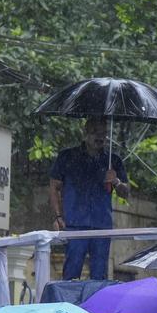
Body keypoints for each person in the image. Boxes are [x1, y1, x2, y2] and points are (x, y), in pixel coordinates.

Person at [50, 119, 130, 280]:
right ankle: (68, 304)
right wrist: (58, 216)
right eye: (95, 132)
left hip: (102, 226)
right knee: (71, 273)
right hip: (75, 224)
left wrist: (116, 181)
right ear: (85, 133)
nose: (99, 137)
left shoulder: (113, 160)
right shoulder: (68, 157)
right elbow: (54, 186)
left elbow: (126, 192)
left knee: (99, 276)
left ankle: (95, 305)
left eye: (103, 134)